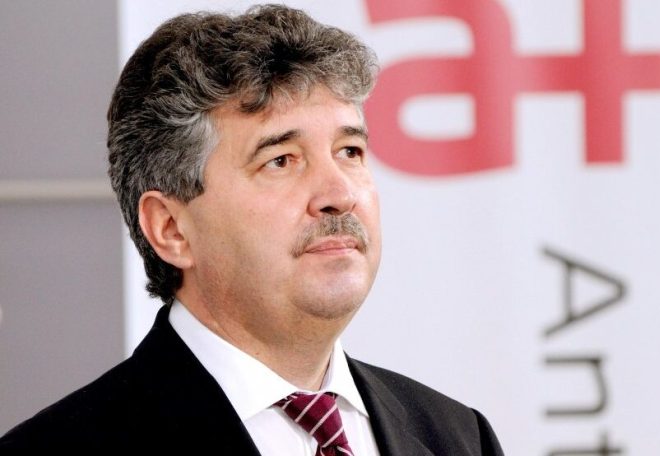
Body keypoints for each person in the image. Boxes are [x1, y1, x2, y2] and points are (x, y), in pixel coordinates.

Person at [0, 4, 504, 454]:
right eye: (281, 160)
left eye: (349, 151)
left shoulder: (457, 436)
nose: (339, 193)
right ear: (172, 229)